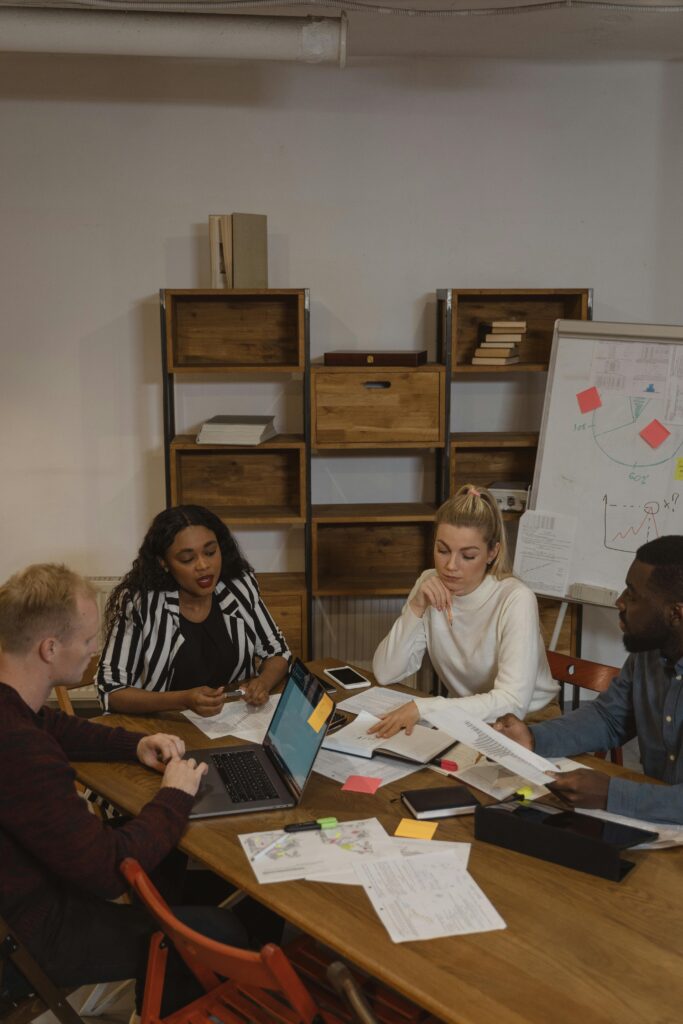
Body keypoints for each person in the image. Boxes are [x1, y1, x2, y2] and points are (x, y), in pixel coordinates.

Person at [0, 563, 248, 1011]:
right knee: (218, 934)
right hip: (26, 937)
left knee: (165, 861)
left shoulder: (14, 709)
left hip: (26, 892)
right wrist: (174, 795)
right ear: (50, 648)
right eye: (87, 640)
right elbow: (105, 870)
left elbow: (52, 725)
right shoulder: (21, 751)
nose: (95, 649)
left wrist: (134, 744)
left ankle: (154, 979)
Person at [494, 535, 683, 825]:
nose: (619, 602)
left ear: (676, 614)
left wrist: (610, 794)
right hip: (658, 827)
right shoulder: (649, 651)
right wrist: (533, 738)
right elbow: (610, 718)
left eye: (633, 595)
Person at [369, 484, 558, 739]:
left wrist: (425, 708)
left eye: (467, 556)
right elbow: (385, 672)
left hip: (531, 723)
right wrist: (416, 606)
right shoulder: (429, 583)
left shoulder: (515, 598)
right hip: (468, 718)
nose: (450, 566)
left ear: (492, 553)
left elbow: (512, 703)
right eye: (442, 550)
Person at [97, 504, 290, 715]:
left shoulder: (238, 587)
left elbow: (278, 651)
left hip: (232, 721)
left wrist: (263, 682)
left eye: (210, 552)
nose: (203, 565)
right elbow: (110, 690)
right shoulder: (141, 603)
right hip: (165, 725)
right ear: (164, 563)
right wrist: (182, 700)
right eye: (187, 559)